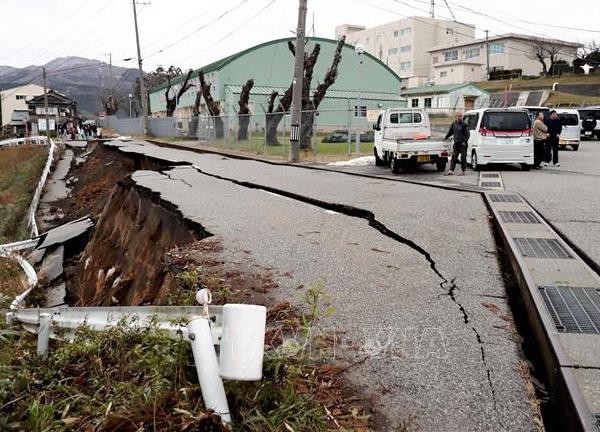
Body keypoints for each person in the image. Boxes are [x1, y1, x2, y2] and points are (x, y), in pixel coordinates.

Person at [444, 111, 470, 176]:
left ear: (462, 117)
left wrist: (464, 141)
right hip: (456, 144)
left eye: (460, 116)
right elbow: (450, 132)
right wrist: (446, 137)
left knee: (463, 157)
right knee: (454, 157)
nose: (459, 117)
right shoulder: (454, 124)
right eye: (458, 116)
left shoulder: (465, 124)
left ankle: (463, 171)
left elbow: (468, 134)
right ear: (455, 117)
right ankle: (451, 170)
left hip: (463, 144)